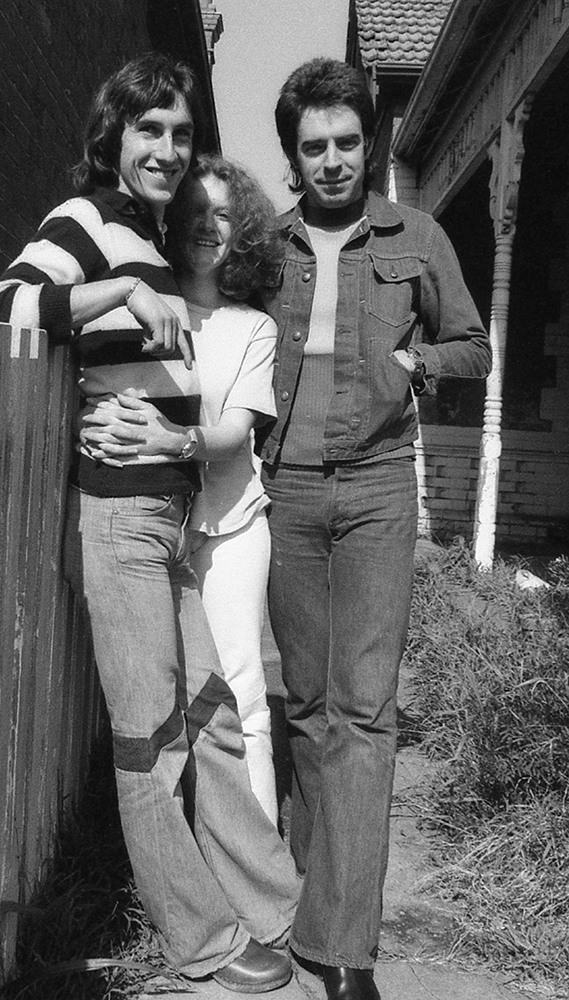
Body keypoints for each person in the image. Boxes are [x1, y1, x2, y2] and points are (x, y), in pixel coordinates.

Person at [0, 54, 299, 991]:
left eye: (181, 133)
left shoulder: (151, 235)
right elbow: (3, 305)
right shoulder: (87, 222)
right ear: (113, 135)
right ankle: (202, 941)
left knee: (216, 720)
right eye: (148, 129)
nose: (166, 149)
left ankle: (274, 904)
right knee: (148, 744)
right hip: (118, 521)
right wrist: (120, 292)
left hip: (171, 519)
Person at [257, 59, 493, 1000]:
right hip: (286, 491)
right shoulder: (266, 246)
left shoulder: (417, 236)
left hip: (380, 490)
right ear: (293, 155)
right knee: (309, 706)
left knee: (364, 713)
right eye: (313, 146)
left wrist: (414, 362)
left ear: (370, 143)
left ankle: (347, 949)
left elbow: (475, 346)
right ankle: (314, 897)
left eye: (347, 142)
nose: (332, 161)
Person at [78, 153, 284, 825]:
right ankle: (190, 846)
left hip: (228, 522)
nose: (206, 225)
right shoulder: (134, 306)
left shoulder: (253, 326)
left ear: (242, 231)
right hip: (148, 522)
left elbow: (236, 432)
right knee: (164, 700)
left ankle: (259, 857)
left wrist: (176, 440)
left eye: (223, 214)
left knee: (240, 690)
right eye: (194, 210)